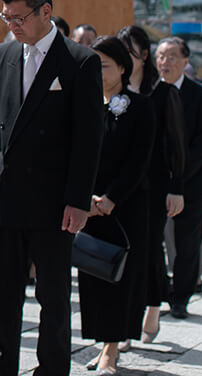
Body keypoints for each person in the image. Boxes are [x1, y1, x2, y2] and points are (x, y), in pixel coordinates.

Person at [0, 0, 104, 376]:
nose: (13, 25)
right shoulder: (4, 54)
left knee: (53, 295)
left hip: (54, 199)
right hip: (7, 193)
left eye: (20, 18)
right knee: (4, 291)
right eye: (7, 17)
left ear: (46, 11)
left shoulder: (80, 61)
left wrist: (78, 201)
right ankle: (1, 366)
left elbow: (88, 139)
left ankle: (52, 368)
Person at [78, 36, 155, 376]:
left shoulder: (140, 107)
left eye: (105, 65)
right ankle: (101, 343)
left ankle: (112, 349)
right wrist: (83, 197)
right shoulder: (85, 104)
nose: (98, 72)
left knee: (120, 277)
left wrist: (111, 198)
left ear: (123, 68)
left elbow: (139, 161)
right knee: (91, 274)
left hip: (125, 205)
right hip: (88, 206)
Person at [118, 26, 185, 343]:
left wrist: (177, 187)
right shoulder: (115, 93)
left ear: (145, 55)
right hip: (121, 185)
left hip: (154, 186)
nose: (125, 57)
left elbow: (176, 145)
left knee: (149, 248)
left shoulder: (163, 93)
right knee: (125, 252)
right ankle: (122, 325)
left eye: (130, 50)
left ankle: (154, 305)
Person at [155, 36, 202, 319]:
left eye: (171, 56)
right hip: (155, 181)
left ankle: (181, 296)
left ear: (185, 61)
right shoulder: (150, 93)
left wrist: (177, 179)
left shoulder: (201, 95)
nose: (164, 62)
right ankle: (158, 291)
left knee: (187, 244)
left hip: (191, 181)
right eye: (161, 56)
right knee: (153, 240)